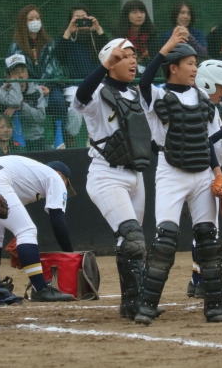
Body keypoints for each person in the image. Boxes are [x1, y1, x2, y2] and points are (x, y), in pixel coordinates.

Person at [136, 26, 222, 325]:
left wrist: (218, 173)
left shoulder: (202, 98)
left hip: (202, 173)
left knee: (208, 240)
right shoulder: (157, 95)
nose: (194, 69)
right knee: (165, 239)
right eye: (190, 64)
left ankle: (215, 306)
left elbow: (205, 141)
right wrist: (167, 46)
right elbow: (144, 81)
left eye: (195, 64)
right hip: (171, 172)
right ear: (173, 68)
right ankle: (147, 306)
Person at [72, 37, 154, 320]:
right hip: (106, 174)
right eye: (124, 56)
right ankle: (139, 303)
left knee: (131, 244)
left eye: (134, 56)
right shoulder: (97, 93)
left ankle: (132, 303)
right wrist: (105, 64)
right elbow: (80, 95)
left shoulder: (134, 96)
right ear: (110, 63)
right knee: (132, 238)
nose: (132, 61)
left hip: (135, 175)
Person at [0, 156, 75, 301]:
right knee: (27, 231)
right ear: (60, 174)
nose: (65, 188)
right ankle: (40, 289)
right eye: (66, 183)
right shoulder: (55, 177)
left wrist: (25, 247)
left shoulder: (30, 174)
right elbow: (57, 221)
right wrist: (71, 255)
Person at [185, 59, 222, 299]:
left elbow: (210, 142)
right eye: (221, 86)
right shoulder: (198, 103)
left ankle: (196, 281)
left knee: (204, 231)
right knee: (207, 231)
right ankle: (202, 283)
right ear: (207, 83)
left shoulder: (209, 104)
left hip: (207, 169)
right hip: (201, 173)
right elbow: (203, 140)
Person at [8, 5, 66, 149]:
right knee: (23, 105)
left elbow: (54, 68)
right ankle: (23, 142)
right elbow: (16, 72)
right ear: (23, 23)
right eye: (30, 19)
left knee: (59, 102)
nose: (35, 21)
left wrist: (48, 87)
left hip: (49, 86)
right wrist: (34, 87)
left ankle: (59, 139)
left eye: (37, 18)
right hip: (26, 88)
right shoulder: (16, 46)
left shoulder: (49, 44)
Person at [54, 6, 109, 147]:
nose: (81, 20)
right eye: (77, 18)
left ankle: (95, 139)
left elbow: (109, 53)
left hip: (96, 84)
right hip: (74, 85)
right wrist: (69, 31)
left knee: (102, 103)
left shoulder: (95, 38)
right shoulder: (67, 39)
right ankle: (70, 137)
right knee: (75, 107)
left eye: (84, 17)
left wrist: (98, 29)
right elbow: (58, 56)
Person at [0, 54, 47, 151]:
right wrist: (15, 85)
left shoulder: (36, 90)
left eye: (23, 71)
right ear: (8, 76)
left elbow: (41, 117)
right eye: (15, 72)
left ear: (28, 73)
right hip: (11, 141)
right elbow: (15, 101)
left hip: (34, 138)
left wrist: (22, 107)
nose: (21, 75)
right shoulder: (1, 92)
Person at [112, 0, 158, 73]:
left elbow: (155, 56)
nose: (139, 16)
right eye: (134, 12)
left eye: (142, 12)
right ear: (127, 15)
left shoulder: (151, 33)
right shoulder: (120, 34)